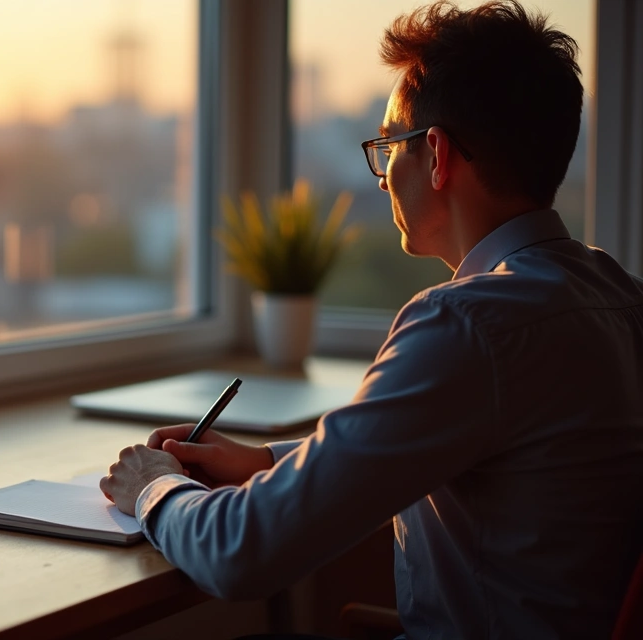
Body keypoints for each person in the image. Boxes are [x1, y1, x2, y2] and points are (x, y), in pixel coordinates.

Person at [100, 1, 643, 638]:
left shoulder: (466, 325)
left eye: (388, 147)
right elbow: (488, 448)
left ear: (436, 155)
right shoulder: (621, 297)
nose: (383, 179)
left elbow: (241, 553)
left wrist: (154, 487)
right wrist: (267, 461)